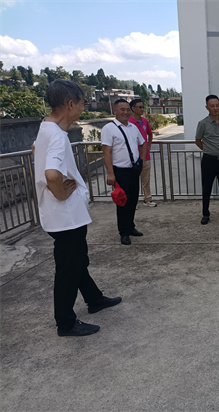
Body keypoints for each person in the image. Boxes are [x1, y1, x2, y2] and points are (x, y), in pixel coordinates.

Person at [32, 79, 121, 337]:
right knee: (68, 269)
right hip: (66, 217)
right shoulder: (57, 136)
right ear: (71, 104)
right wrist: (60, 193)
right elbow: (52, 174)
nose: (83, 108)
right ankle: (66, 322)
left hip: (60, 215)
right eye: (82, 103)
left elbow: (35, 149)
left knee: (78, 260)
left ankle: (94, 299)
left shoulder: (46, 128)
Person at [102, 99, 146, 245]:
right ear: (115, 110)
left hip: (134, 170)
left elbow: (143, 143)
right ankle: (124, 232)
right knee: (122, 202)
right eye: (122, 109)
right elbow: (107, 152)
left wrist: (141, 161)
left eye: (127, 109)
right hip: (120, 171)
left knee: (133, 200)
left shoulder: (133, 127)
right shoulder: (109, 128)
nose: (126, 112)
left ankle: (131, 226)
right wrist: (110, 173)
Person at [195, 94, 219, 225]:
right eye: (212, 106)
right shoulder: (203, 124)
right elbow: (198, 140)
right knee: (207, 188)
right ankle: (205, 214)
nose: (215, 108)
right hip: (208, 161)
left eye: (217, 105)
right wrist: (208, 149)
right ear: (207, 107)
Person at [129, 98, 157, 207]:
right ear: (133, 108)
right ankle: (133, 202)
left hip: (145, 156)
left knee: (146, 180)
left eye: (142, 107)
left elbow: (150, 133)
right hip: (133, 156)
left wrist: (148, 145)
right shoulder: (129, 122)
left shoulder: (144, 121)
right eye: (139, 107)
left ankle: (147, 199)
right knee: (132, 180)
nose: (142, 109)